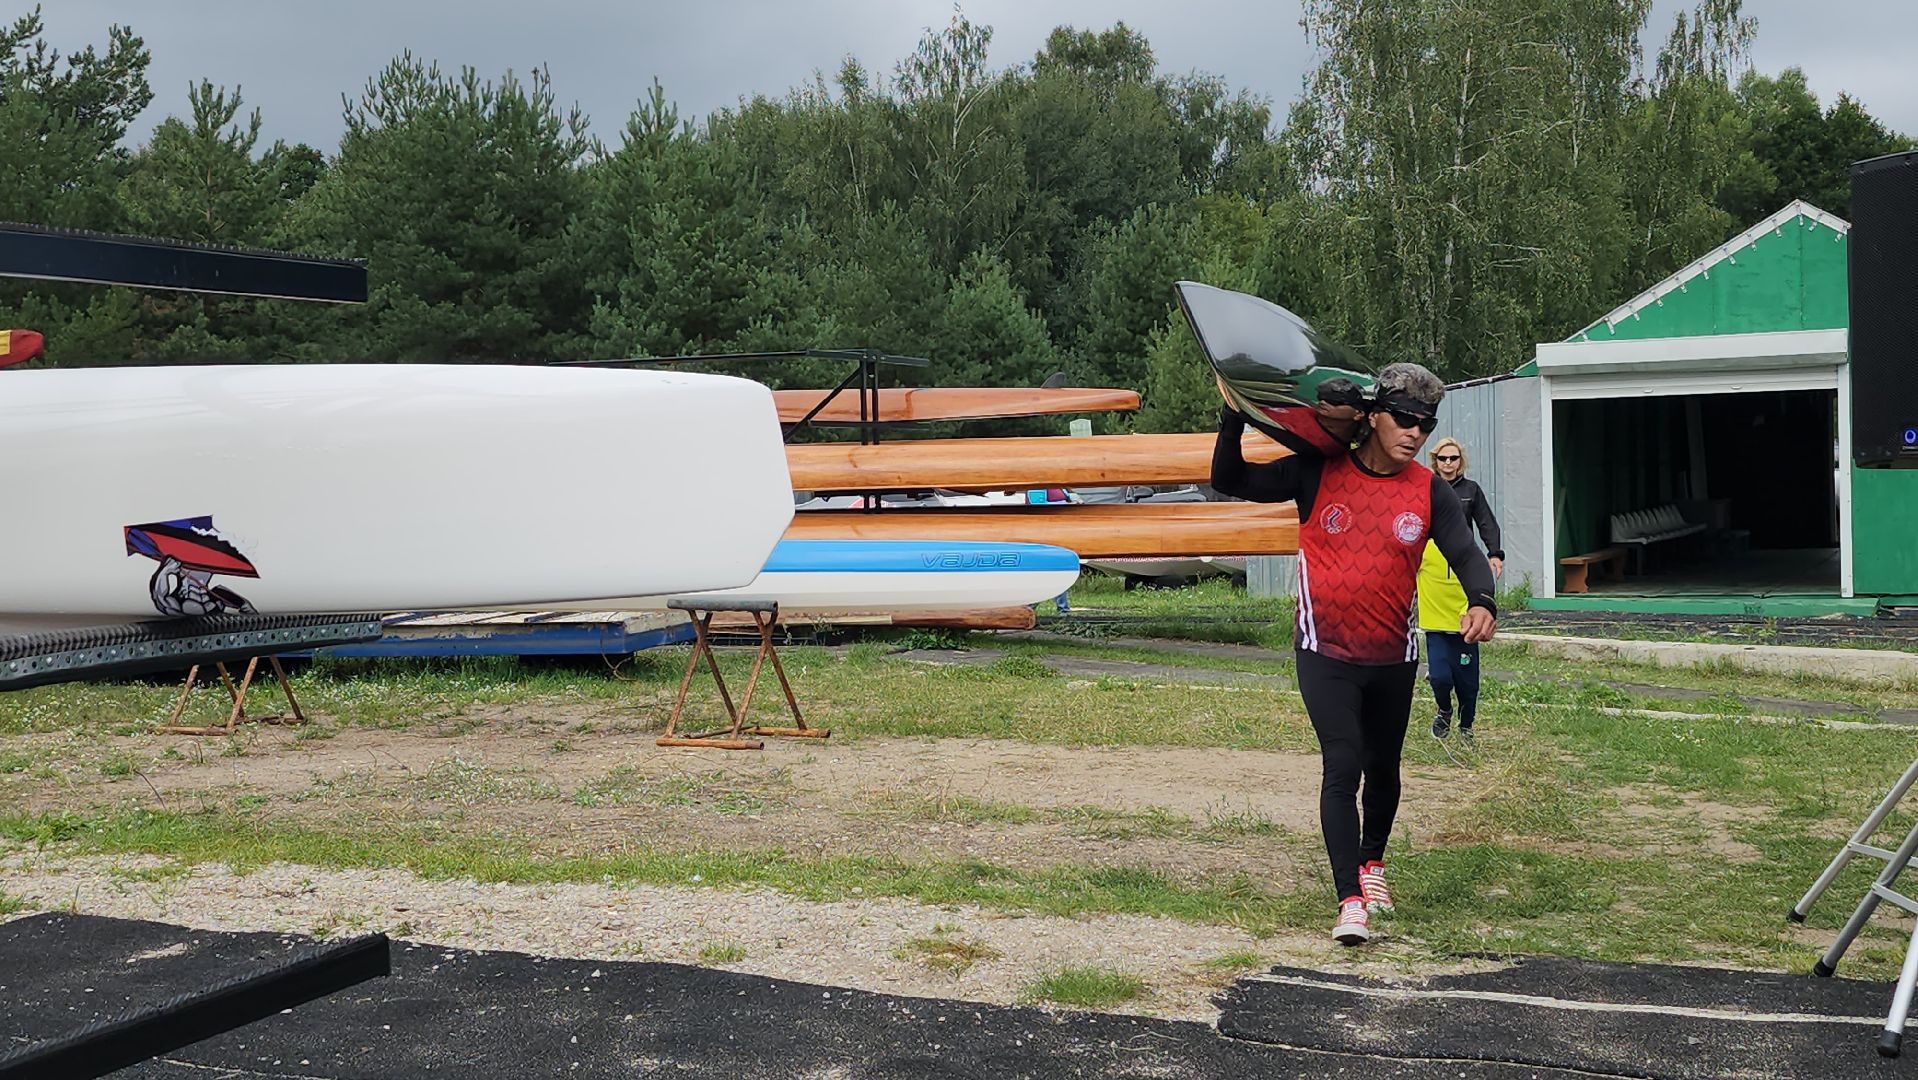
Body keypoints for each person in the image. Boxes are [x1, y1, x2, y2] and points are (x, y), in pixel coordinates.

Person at [1212, 364, 1496, 946]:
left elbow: (1466, 553)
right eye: (1405, 419)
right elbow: (1230, 477)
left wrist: (1483, 601)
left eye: (1427, 424)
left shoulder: (1429, 490)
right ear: (1372, 416)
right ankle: (1349, 900)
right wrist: (1234, 413)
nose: (1416, 433)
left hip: (1393, 653)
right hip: (1325, 650)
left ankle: (1373, 864)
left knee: (1382, 766)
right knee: (1342, 764)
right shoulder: (1317, 471)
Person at [1417, 438, 1504, 742]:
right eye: (1443, 458)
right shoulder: (1425, 488)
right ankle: (1443, 711)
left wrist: (1495, 553)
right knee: (1440, 674)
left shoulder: (1471, 490)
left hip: (1462, 571)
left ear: (1460, 461)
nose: (1449, 463)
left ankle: (1466, 726)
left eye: (1454, 458)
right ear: (1435, 460)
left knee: (1466, 676)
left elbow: (1485, 522)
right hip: (1430, 571)